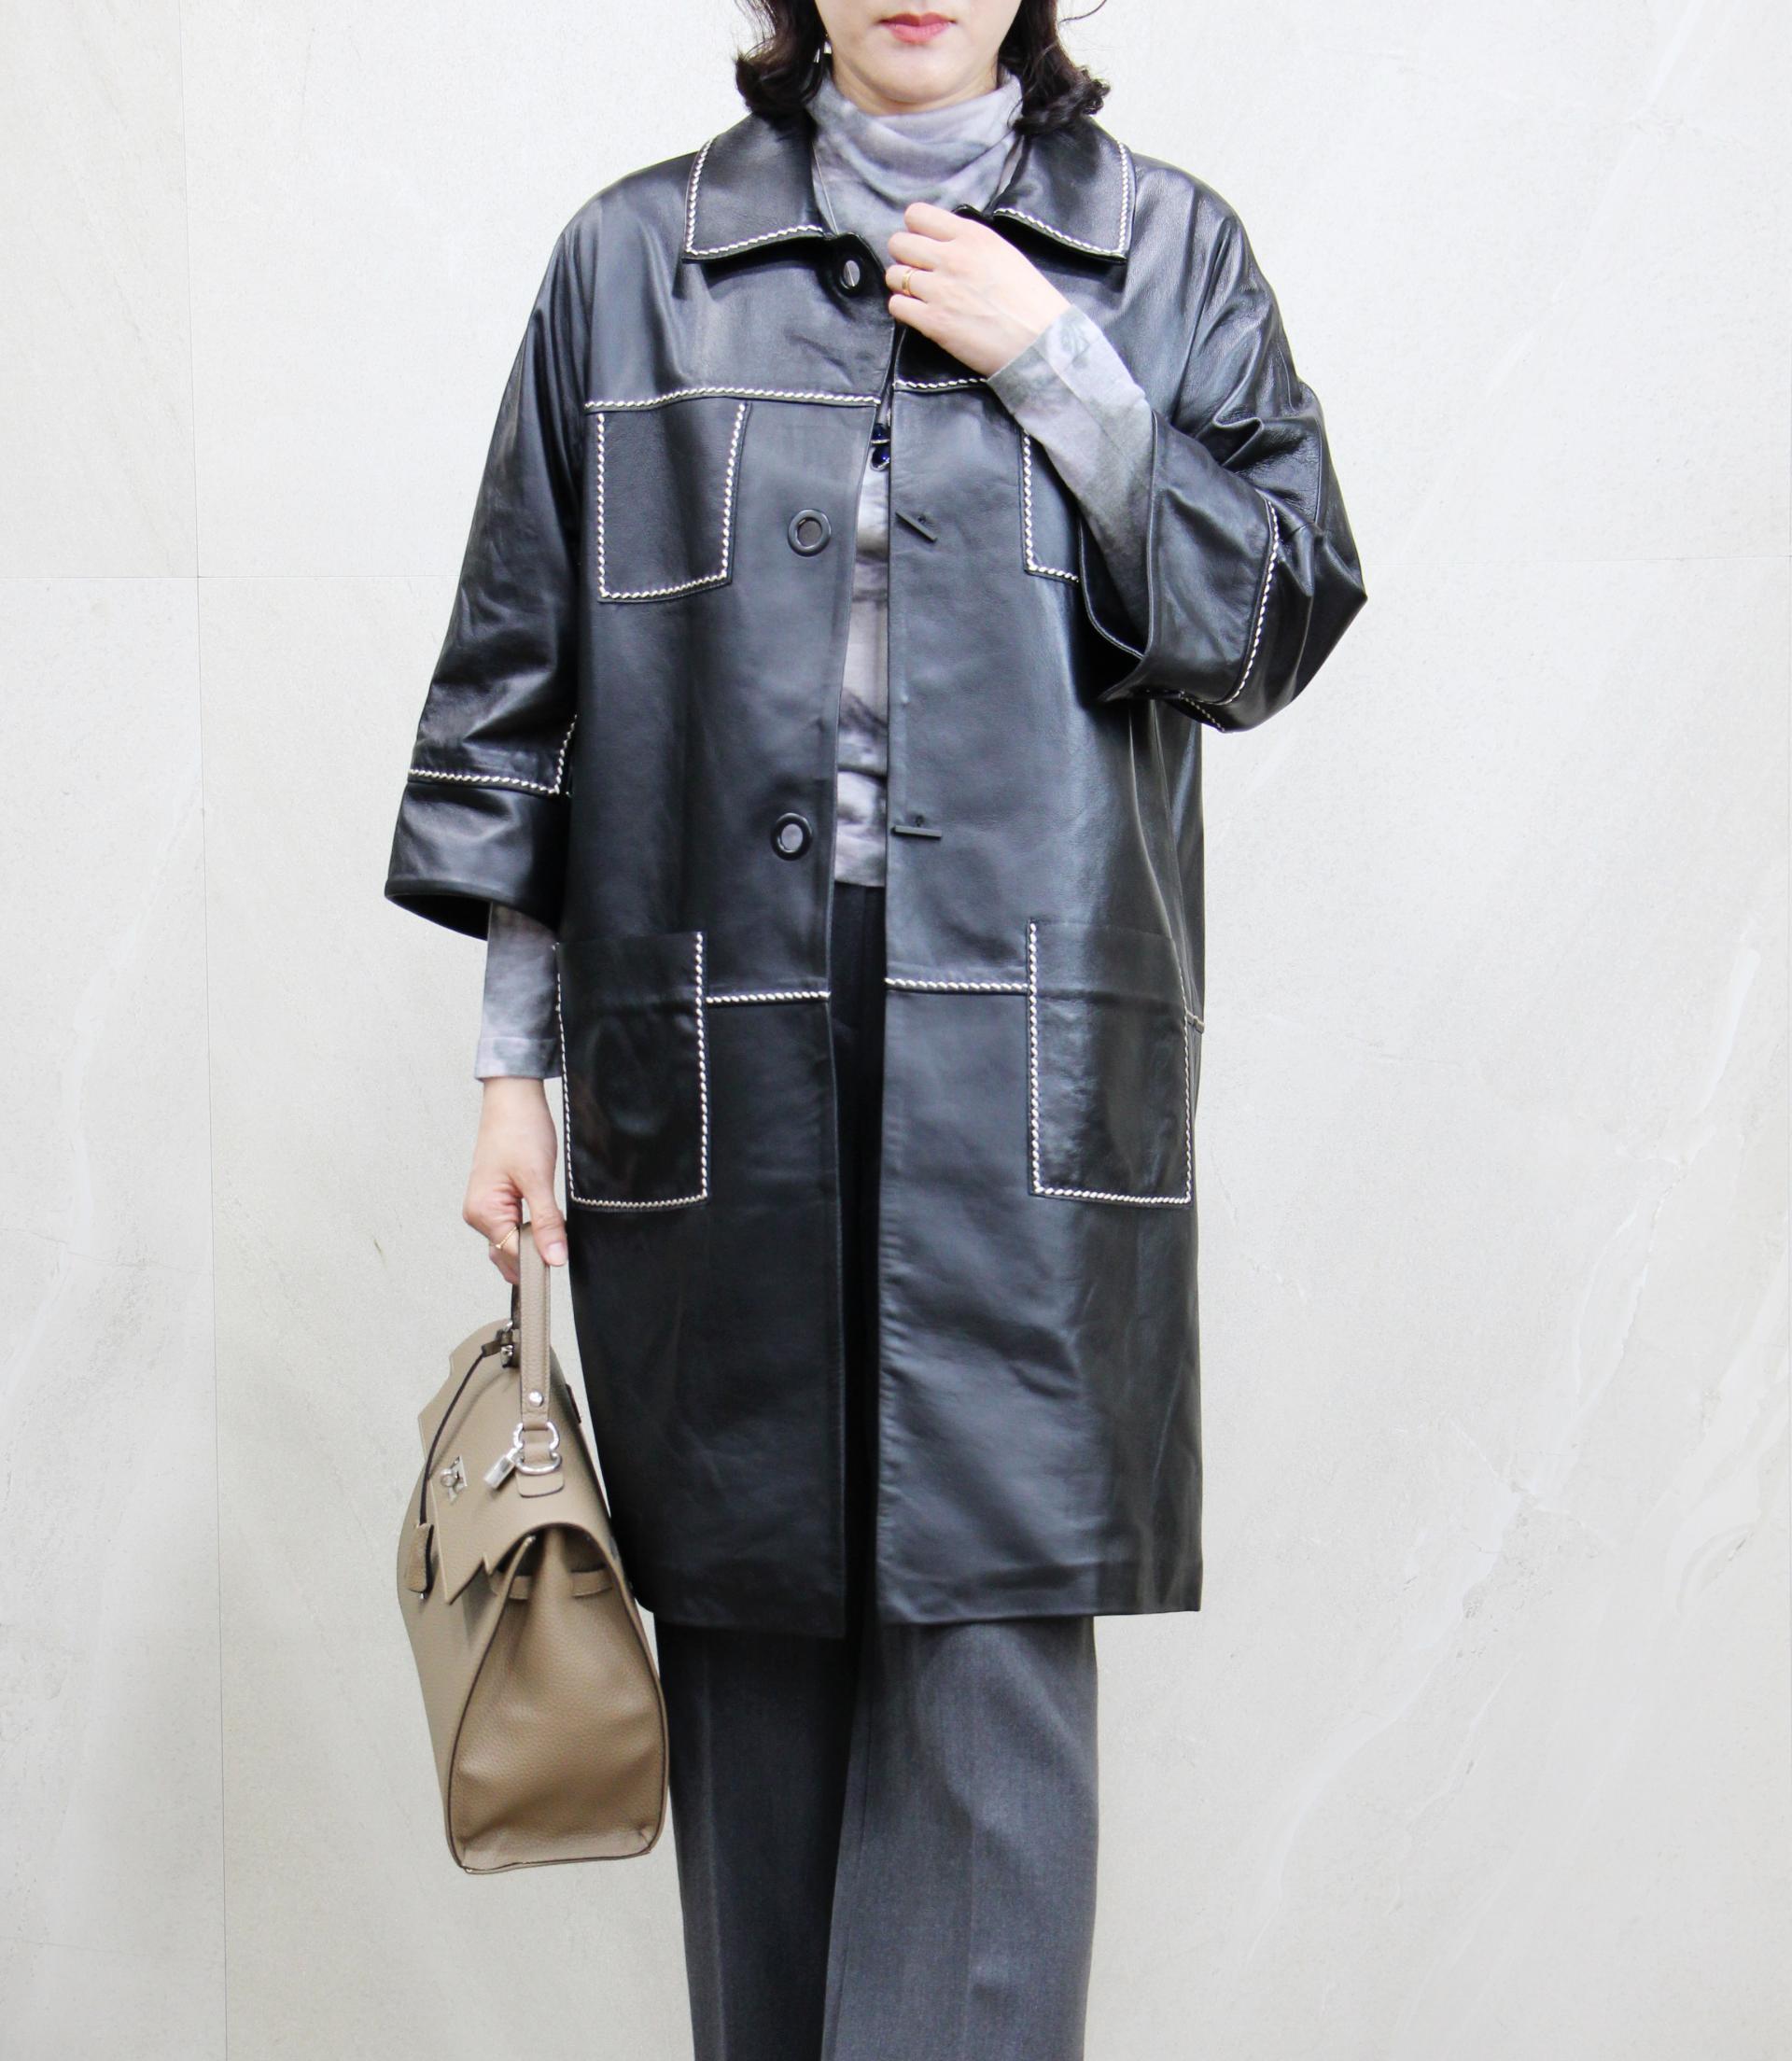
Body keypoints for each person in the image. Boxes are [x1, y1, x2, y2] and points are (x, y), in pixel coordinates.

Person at [384, 3, 1365, 2054]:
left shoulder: (1162, 253)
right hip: (716, 1061)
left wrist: (1058, 366)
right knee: (750, 1665)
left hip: (1022, 1068)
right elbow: (520, 688)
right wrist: (510, 1069)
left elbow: (1275, 614)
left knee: (990, 1693)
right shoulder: (633, 262)